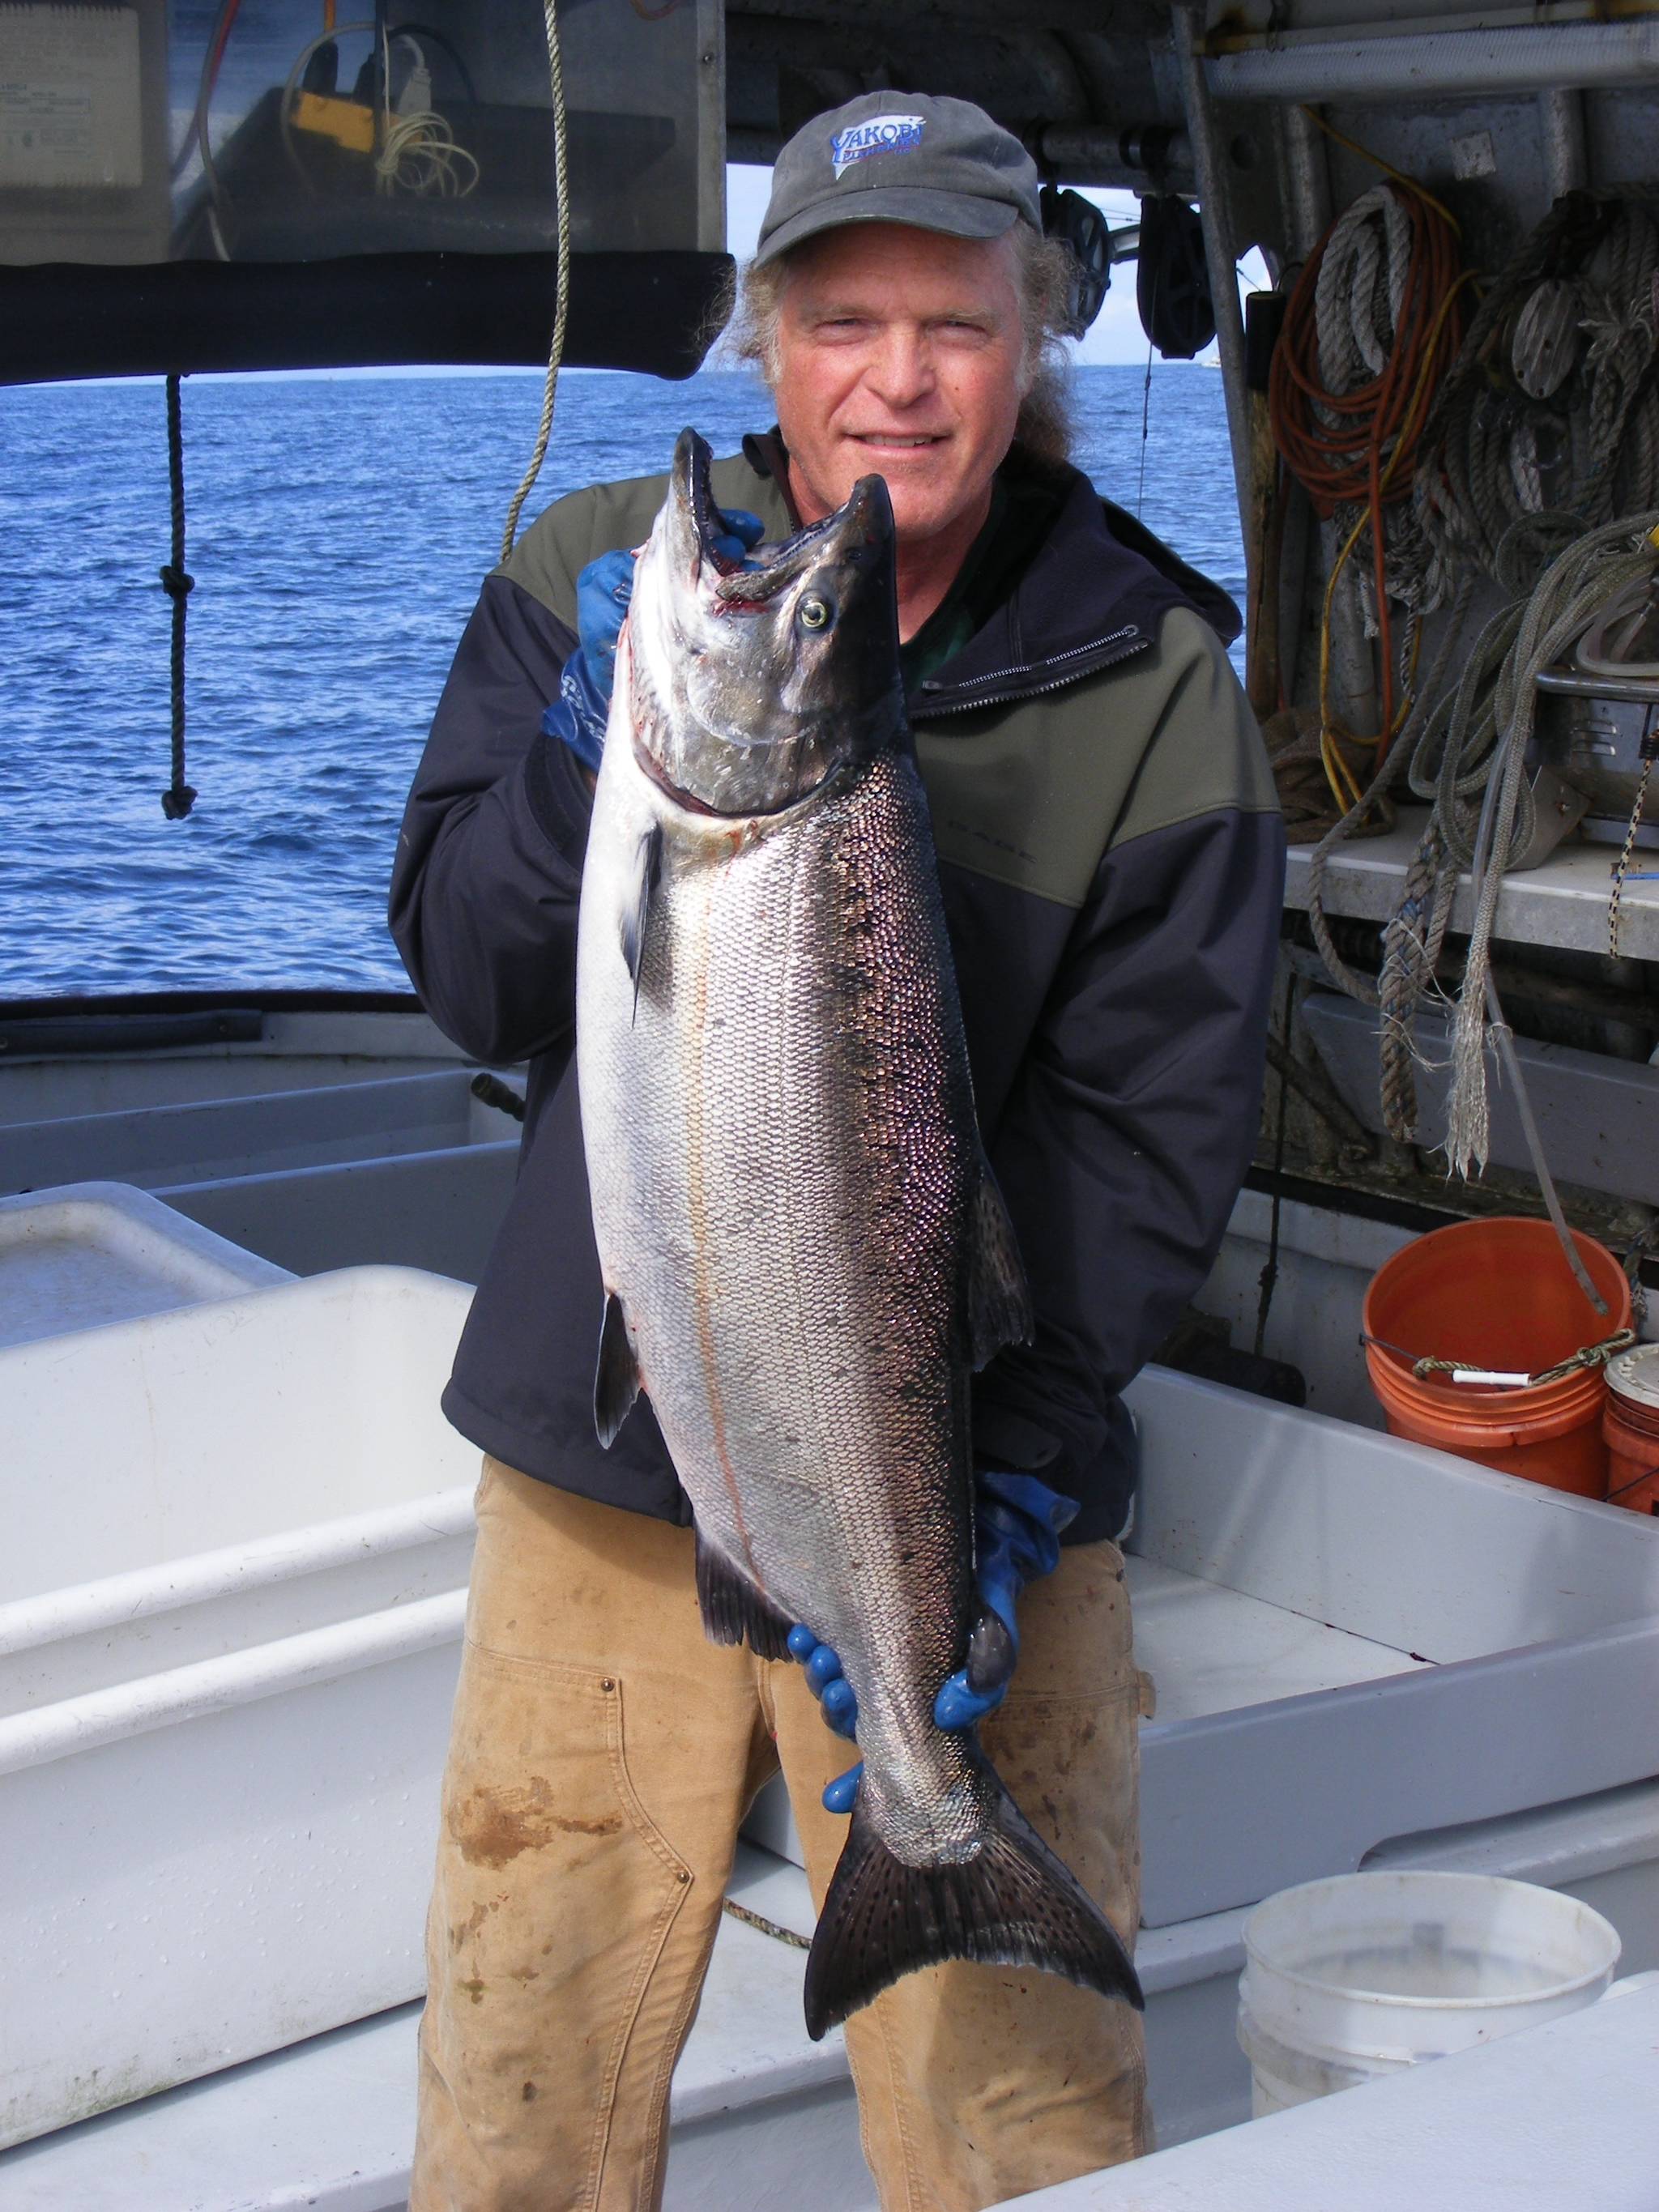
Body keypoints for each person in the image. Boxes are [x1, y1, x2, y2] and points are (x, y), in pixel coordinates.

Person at [391, 88, 1282, 2212]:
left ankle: (939, 1822)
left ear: (1033, 342)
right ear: (768, 342)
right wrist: (579, 770)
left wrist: (1012, 1483)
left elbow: (1149, 1136)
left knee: (1023, 2131)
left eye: (955, 323)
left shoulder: (1153, 676)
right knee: (521, 2087)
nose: (898, 378)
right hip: (611, 1465)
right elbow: (467, 974)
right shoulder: (600, 575)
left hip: (954, 1498)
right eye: (844, 320)